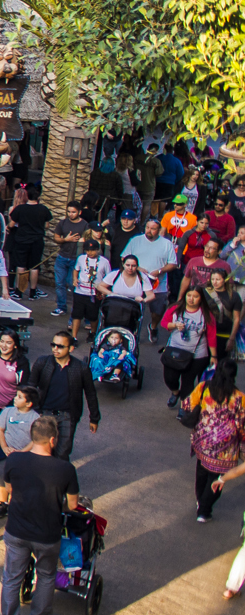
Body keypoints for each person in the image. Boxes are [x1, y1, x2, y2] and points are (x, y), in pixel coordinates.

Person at [0, 416, 82, 615]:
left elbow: (10, 489)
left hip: (16, 530)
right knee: (45, 575)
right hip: (47, 533)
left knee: (12, 578)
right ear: (52, 440)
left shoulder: (14, 460)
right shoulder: (65, 469)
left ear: (32, 438)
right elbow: (73, 505)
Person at [183, 363, 245, 524]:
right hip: (226, 447)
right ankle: (204, 510)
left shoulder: (204, 387)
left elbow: (187, 404)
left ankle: (200, 500)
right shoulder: (239, 397)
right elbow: (241, 424)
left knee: (201, 471)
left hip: (203, 439)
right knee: (218, 478)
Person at [27, 332, 100, 459]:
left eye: (60, 346)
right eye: (53, 345)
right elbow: (31, 387)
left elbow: (91, 394)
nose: (55, 349)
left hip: (67, 416)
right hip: (44, 413)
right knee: (42, 451)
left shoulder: (81, 368)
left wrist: (94, 418)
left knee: (62, 453)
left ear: (71, 348)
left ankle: (59, 477)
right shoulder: (43, 362)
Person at [161, 288, 219, 408]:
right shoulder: (175, 308)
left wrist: (213, 356)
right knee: (170, 378)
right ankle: (176, 392)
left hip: (196, 355)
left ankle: (184, 407)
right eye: (189, 295)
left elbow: (211, 336)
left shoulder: (206, 315)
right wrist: (174, 325)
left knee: (188, 381)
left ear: (201, 298)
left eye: (195, 296)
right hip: (175, 351)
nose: (191, 299)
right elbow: (164, 323)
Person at [127, 218, 181, 340]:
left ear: (159, 230)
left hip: (158, 284)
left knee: (158, 310)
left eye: (153, 228)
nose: (149, 231)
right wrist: (138, 268)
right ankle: (133, 332)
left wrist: (160, 271)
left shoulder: (166, 244)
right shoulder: (135, 241)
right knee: (133, 309)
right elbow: (124, 257)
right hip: (137, 281)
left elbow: (173, 264)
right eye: (147, 227)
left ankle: (153, 326)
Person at [0, 387, 42, 503]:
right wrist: (4, 447)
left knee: (18, 480)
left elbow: (35, 440)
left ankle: (13, 503)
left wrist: (22, 452)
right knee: (0, 477)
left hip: (24, 457)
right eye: (16, 395)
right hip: (5, 453)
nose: (15, 398)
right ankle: (3, 503)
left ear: (29, 403)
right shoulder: (7, 411)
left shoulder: (35, 418)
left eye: (20, 397)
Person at [7, 182, 53, 301]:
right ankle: (33, 292)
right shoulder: (43, 209)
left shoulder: (20, 209)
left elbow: (12, 224)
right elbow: (47, 226)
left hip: (22, 240)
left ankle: (19, 291)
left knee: (20, 265)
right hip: (37, 240)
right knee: (34, 266)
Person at [52, 201, 90, 319]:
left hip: (76, 259)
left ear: (79, 212)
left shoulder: (85, 225)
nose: (70, 214)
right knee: (59, 283)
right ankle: (61, 307)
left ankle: (76, 309)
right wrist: (66, 240)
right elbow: (56, 238)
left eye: (73, 212)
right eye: (69, 211)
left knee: (73, 284)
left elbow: (88, 240)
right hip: (62, 257)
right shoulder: (63, 223)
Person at [0, 329, 28, 409]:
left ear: (15, 345)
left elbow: (23, 388)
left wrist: (9, 408)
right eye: (2, 341)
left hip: (8, 407)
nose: (4, 345)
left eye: (9, 343)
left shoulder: (22, 362)